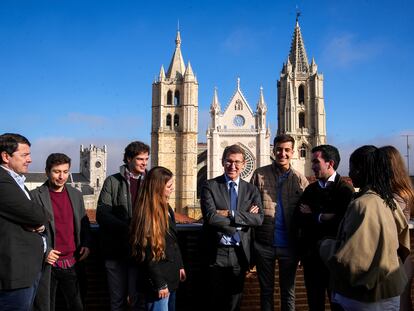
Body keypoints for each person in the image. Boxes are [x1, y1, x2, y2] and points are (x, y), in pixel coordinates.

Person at [320, 145, 410, 311]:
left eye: (353, 168)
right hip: (390, 290)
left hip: (365, 298)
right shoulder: (389, 201)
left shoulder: (362, 205)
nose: (350, 173)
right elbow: (404, 246)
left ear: (362, 170)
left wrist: (325, 246)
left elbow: (353, 261)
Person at [201, 144, 263, 311]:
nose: (233, 166)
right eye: (229, 161)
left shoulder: (252, 190)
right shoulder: (209, 186)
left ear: (244, 164)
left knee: (235, 302)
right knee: (215, 301)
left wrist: (230, 214)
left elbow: (258, 219)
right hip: (216, 252)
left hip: (240, 253)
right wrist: (243, 222)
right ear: (222, 162)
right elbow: (211, 218)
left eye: (237, 162)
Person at [250, 134, 308, 311]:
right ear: (273, 150)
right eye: (279, 149)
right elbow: (249, 204)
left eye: (287, 150)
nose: (282, 153)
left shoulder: (300, 179)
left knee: (288, 292)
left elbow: (306, 216)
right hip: (264, 244)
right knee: (266, 291)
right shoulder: (259, 174)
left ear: (293, 152)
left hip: (290, 246)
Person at [297, 145, 354, 311]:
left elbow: (343, 222)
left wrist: (315, 215)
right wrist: (326, 216)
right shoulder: (310, 189)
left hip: (336, 260)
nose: (312, 165)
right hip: (312, 259)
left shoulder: (344, 190)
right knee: (315, 304)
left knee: (338, 305)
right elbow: (300, 218)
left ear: (330, 163)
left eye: (316, 161)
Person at [32, 153, 91, 311]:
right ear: (47, 171)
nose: (61, 176)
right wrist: (45, 251)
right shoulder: (35, 197)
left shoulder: (76, 195)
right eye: (57, 171)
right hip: (48, 265)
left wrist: (86, 244)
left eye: (65, 172)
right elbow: (29, 232)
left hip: (73, 263)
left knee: (77, 306)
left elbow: (84, 223)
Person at [97, 141, 149, 310]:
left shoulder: (150, 183)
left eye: (146, 159)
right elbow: (102, 214)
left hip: (140, 251)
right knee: (117, 301)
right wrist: (128, 227)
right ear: (128, 159)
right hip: (116, 250)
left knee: (137, 300)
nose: (144, 163)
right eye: (140, 159)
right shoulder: (112, 181)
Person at [0, 133, 49, 311]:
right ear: (6, 157)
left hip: (26, 271)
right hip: (14, 275)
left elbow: (37, 217)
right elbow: (38, 215)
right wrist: (40, 220)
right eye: (24, 155)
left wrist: (40, 223)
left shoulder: (15, 180)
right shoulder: (2, 181)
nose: (30, 159)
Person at [130, 166, 186, 311]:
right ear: (158, 187)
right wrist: (159, 283)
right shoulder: (146, 213)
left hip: (170, 274)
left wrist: (179, 265)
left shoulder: (167, 208)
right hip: (157, 280)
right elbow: (147, 253)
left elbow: (173, 241)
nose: (172, 189)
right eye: (169, 186)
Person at [379, 145, 414, 311]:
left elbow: (390, 223)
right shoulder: (399, 190)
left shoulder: (399, 194)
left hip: (397, 261)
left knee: (400, 304)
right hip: (398, 259)